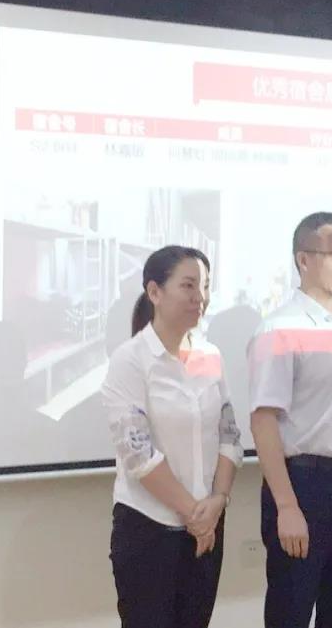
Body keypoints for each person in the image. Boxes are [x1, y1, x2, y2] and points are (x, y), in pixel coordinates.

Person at [102, 245, 244, 628]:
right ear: (155, 292)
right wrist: (195, 515)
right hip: (149, 528)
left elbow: (230, 435)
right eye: (188, 285)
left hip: (208, 524)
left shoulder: (211, 355)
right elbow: (138, 454)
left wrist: (218, 501)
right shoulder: (131, 359)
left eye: (206, 286)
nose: (201, 297)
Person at [248, 211, 332, 628]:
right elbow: (263, 421)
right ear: (304, 260)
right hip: (304, 485)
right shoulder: (278, 329)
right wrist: (287, 506)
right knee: (292, 610)